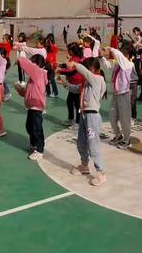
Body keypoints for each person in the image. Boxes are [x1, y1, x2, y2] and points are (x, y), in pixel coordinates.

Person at [68, 57, 107, 187]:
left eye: (88, 69)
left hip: (92, 117)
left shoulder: (97, 80)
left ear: (94, 70)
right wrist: (63, 82)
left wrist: (75, 64)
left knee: (93, 145)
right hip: (84, 115)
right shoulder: (87, 83)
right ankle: (84, 165)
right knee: (81, 142)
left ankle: (101, 173)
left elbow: (84, 72)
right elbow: (75, 89)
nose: (85, 72)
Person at [101, 46, 134, 149]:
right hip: (116, 94)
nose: (121, 55)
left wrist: (111, 49)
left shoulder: (128, 64)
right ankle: (118, 135)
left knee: (125, 119)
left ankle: (127, 140)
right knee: (112, 117)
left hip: (124, 94)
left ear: (128, 55)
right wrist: (101, 57)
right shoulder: (118, 65)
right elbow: (108, 65)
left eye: (123, 53)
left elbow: (120, 57)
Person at [16, 54, 48, 160]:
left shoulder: (38, 72)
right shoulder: (33, 78)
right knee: (29, 126)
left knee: (37, 128)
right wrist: (20, 90)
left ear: (36, 64)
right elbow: (27, 93)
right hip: (32, 106)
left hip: (37, 106)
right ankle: (34, 144)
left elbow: (25, 62)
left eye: (32, 63)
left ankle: (40, 150)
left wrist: (19, 58)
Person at [57, 42, 84, 126]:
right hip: (73, 84)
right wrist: (60, 65)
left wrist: (59, 71)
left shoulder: (76, 59)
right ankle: (71, 119)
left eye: (69, 49)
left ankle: (78, 122)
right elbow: (68, 66)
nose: (67, 51)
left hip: (77, 85)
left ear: (72, 51)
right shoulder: (74, 58)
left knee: (77, 104)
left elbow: (71, 72)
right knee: (69, 101)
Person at [0, 34, 13, 101]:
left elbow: (0, 45)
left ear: (8, 40)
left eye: (3, 39)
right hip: (1, 62)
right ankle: (3, 92)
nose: (2, 40)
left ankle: (7, 93)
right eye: (2, 38)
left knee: (2, 79)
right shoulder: (4, 44)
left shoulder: (7, 46)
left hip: (5, 63)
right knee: (0, 78)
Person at [45, 33, 59, 98]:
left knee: (52, 79)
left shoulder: (54, 47)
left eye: (48, 40)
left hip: (52, 65)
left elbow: (55, 49)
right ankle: (48, 92)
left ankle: (55, 92)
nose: (47, 42)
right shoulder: (46, 48)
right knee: (46, 79)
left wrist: (50, 43)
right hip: (46, 64)